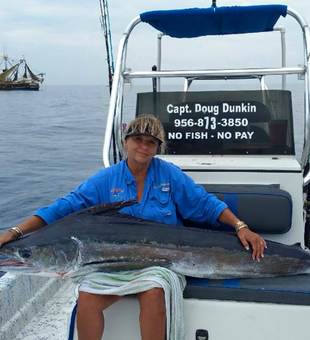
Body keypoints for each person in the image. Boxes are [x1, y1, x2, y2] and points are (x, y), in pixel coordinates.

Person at [0, 114, 266, 340]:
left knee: (153, 293)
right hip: (113, 264)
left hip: (161, 262)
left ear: (157, 148)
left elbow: (204, 203)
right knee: (88, 299)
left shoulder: (169, 174)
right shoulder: (106, 179)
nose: (144, 147)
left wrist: (240, 226)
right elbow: (62, 207)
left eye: (151, 142)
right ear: (126, 142)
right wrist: (15, 233)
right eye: (138, 139)